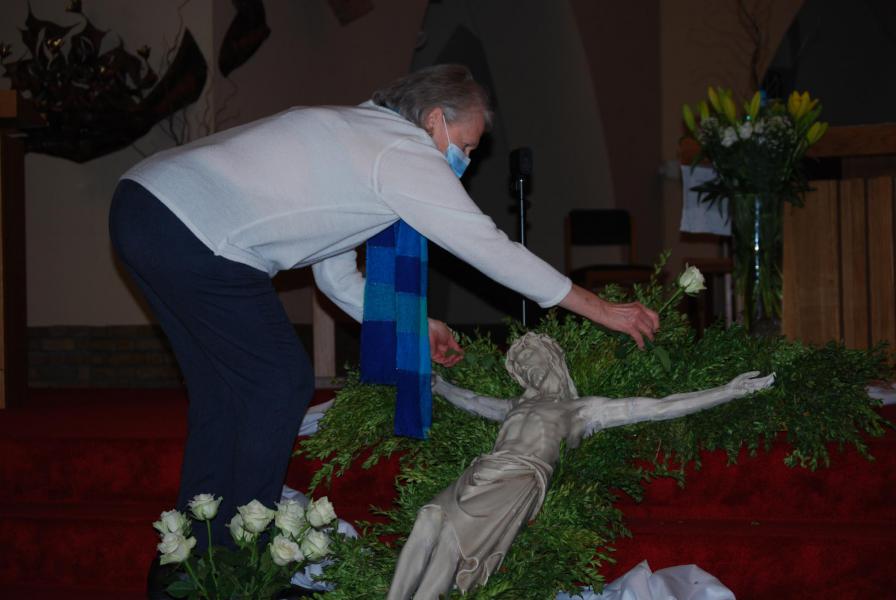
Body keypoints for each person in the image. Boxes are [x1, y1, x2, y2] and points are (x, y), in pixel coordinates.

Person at [108, 64, 659, 595]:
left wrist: (416, 325)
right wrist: (601, 309)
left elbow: (336, 276)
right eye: (466, 146)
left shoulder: (357, 136)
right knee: (279, 383)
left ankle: (187, 567)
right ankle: (240, 568)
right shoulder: (402, 152)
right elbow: (488, 248)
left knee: (224, 395)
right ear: (436, 120)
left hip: (144, 208)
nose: (465, 159)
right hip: (193, 230)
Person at [387, 333, 775, 599]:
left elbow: (658, 407)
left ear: (553, 359)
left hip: (521, 477)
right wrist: (439, 386)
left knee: (452, 544)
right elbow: (470, 400)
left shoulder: (581, 410)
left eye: (532, 358)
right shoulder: (515, 406)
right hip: (485, 468)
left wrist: (726, 391)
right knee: (428, 518)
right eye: (522, 364)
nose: (528, 367)